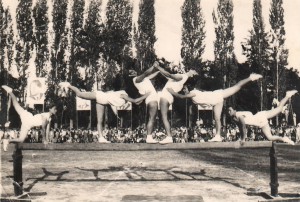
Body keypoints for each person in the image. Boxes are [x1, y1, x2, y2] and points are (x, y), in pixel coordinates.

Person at [167, 73, 263, 142]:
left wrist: (171, 91)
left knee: (237, 87)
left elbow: (181, 97)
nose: (184, 90)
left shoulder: (193, 93)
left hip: (218, 95)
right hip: (215, 102)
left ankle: (251, 77)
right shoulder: (193, 94)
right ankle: (218, 136)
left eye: (185, 89)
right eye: (183, 89)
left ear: (188, 88)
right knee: (217, 118)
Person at [58, 82, 150, 143]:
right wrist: (146, 95)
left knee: (100, 121)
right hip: (99, 95)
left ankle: (101, 138)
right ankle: (68, 85)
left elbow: (116, 104)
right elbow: (135, 101)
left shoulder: (120, 94)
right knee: (79, 94)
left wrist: (116, 114)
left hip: (102, 101)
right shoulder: (123, 94)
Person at [227, 90, 298, 145]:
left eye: (230, 110)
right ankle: (284, 139)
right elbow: (240, 127)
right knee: (270, 137)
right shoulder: (234, 118)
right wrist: (241, 138)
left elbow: (243, 126)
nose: (228, 112)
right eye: (227, 111)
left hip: (261, 116)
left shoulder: (238, 115)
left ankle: (288, 95)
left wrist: (243, 139)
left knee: (279, 109)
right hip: (260, 123)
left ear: (234, 110)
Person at [1, 85, 57, 151]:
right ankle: (10, 91)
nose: (56, 110)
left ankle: (7, 141)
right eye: (54, 109)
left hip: (27, 125)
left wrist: (47, 140)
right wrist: (44, 140)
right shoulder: (45, 116)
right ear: (50, 109)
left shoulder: (49, 119)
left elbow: (47, 130)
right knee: (16, 104)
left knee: (21, 139)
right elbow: (43, 128)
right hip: (27, 117)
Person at [155, 63, 198, 144]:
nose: (192, 69)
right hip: (168, 96)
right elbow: (167, 75)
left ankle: (169, 137)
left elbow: (169, 75)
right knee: (164, 116)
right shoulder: (183, 79)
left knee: (164, 117)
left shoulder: (183, 76)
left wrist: (158, 67)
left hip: (166, 95)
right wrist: (159, 70)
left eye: (194, 71)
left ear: (192, 75)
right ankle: (168, 136)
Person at [131, 62, 160, 143]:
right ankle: (149, 137)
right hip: (152, 98)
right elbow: (146, 73)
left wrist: (159, 70)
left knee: (152, 118)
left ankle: (149, 137)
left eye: (133, 71)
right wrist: (153, 66)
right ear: (131, 75)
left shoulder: (143, 80)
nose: (134, 72)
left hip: (151, 98)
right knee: (152, 118)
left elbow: (150, 76)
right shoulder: (136, 80)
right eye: (132, 72)